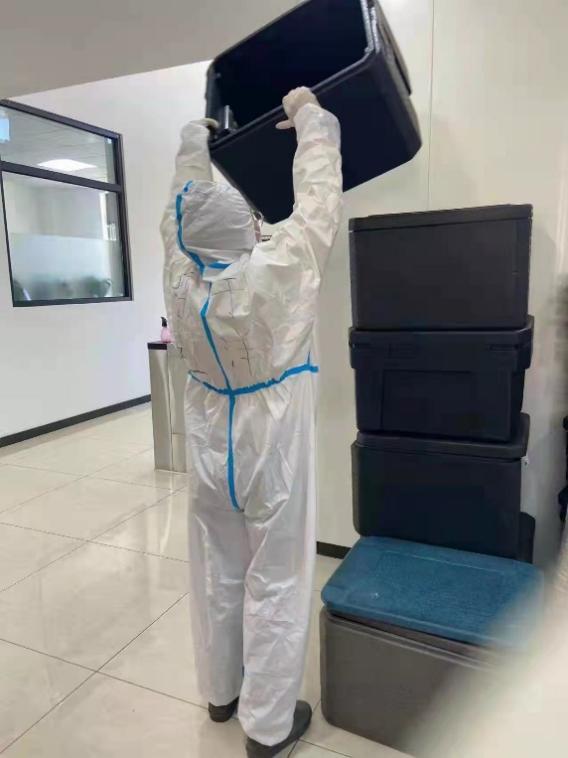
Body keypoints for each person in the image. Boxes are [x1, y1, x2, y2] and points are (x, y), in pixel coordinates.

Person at [161, 87, 342, 757]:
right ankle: (267, 727)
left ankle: (221, 692)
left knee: (219, 568)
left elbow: (178, 208)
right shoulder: (282, 264)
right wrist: (310, 118)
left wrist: (193, 143)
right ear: (248, 230)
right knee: (278, 575)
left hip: (210, 435)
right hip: (273, 442)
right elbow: (318, 197)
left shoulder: (178, 273)